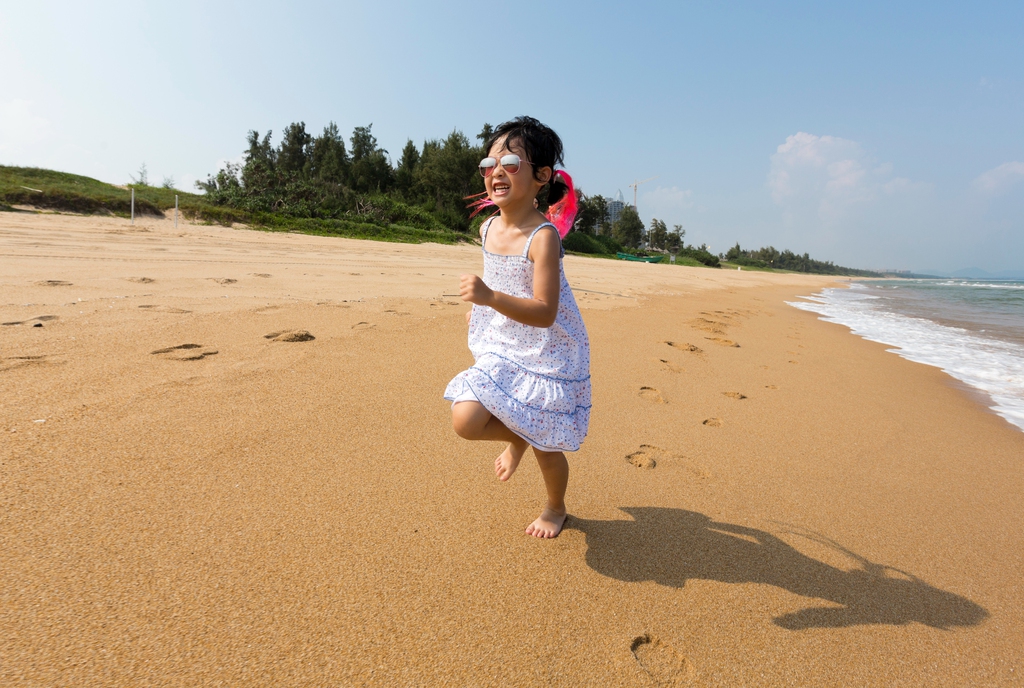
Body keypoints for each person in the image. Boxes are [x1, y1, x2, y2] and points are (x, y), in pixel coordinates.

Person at [445, 116, 591, 539]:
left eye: (510, 161)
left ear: (542, 176)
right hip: (505, 338)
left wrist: (489, 298)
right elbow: (500, 281)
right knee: (466, 420)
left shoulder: (543, 237)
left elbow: (546, 311)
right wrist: (483, 311)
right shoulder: (487, 226)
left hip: (547, 347)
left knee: (549, 444)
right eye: (488, 164)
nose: (495, 172)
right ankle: (522, 433)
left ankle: (555, 506)